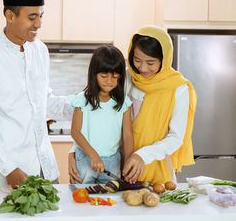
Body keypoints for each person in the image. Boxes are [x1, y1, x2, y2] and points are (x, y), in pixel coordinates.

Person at [0, 0, 72, 189]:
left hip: (46, 170)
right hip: (10, 174)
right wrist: (8, 169)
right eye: (32, 17)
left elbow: (43, 103)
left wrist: (85, 103)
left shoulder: (41, 51)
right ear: (10, 16)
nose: (39, 24)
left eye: (41, 16)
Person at [68, 25, 197, 184]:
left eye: (150, 62)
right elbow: (97, 121)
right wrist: (75, 152)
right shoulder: (125, 78)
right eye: (137, 60)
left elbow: (176, 138)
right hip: (119, 167)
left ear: (164, 60)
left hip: (156, 168)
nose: (142, 68)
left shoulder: (179, 88)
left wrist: (142, 155)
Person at [69, 45, 133, 184]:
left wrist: (128, 161)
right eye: (104, 76)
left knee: (111, 200)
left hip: (113, 160)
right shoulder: (82, 100)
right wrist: (93, 155)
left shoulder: (123, 103)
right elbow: (75, 132)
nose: (109, 81)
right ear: (94, 74)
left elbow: (128, 135)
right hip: (86, 158)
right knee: (83, 198)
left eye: (115, 76)